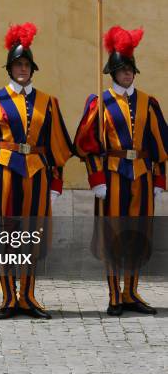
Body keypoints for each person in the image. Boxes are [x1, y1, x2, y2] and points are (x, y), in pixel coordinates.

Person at [0, 23, 73, 320]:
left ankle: (28, 296)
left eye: (26, 64)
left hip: (37, 174)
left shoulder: (48, 102)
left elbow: (58, 146)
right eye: (17, 64)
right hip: (4, 175)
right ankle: (9, 297)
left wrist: (56, 183)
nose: (22, 69)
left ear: (32, 69)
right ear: (9, 68)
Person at [74, 26, 167, 316]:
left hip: (141, 175)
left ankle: (131, 292)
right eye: (123, 70)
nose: (128, 74)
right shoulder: (99, 103)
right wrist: (96, 178)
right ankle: (115, 295)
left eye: (131, 70)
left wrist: (159, 178)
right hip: (112, 176)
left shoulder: (148, 103)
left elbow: (160, 144)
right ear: (113, 72)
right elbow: (87, 145)